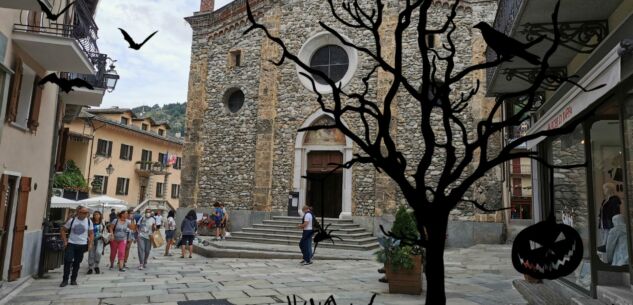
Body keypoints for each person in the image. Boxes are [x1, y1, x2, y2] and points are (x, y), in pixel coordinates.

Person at [60, 205, 93, 287]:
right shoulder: (72, 220)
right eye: (83, 212)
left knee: (77, 262)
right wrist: (65, 241)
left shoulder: (89, 221)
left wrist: (90, 244)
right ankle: (65, 280)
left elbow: (91, 233)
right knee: (67, 261)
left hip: (82, 244)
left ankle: (73, 279)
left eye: (86, 213)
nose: (85, 214)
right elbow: (63, 230)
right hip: (71, 243)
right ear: (78, 212)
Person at [598, 182, 621, 249]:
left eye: (605, 189)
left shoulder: (614, 200)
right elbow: (602, 211)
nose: (604, 191)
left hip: (609, 222)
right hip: (603, 223)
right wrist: (599, 217)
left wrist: (614, 222)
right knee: (604, 237)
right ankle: (605, 249)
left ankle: (607, 249)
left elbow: (615, 212)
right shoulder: (605, 200)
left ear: (609, 189)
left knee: (608, 238)